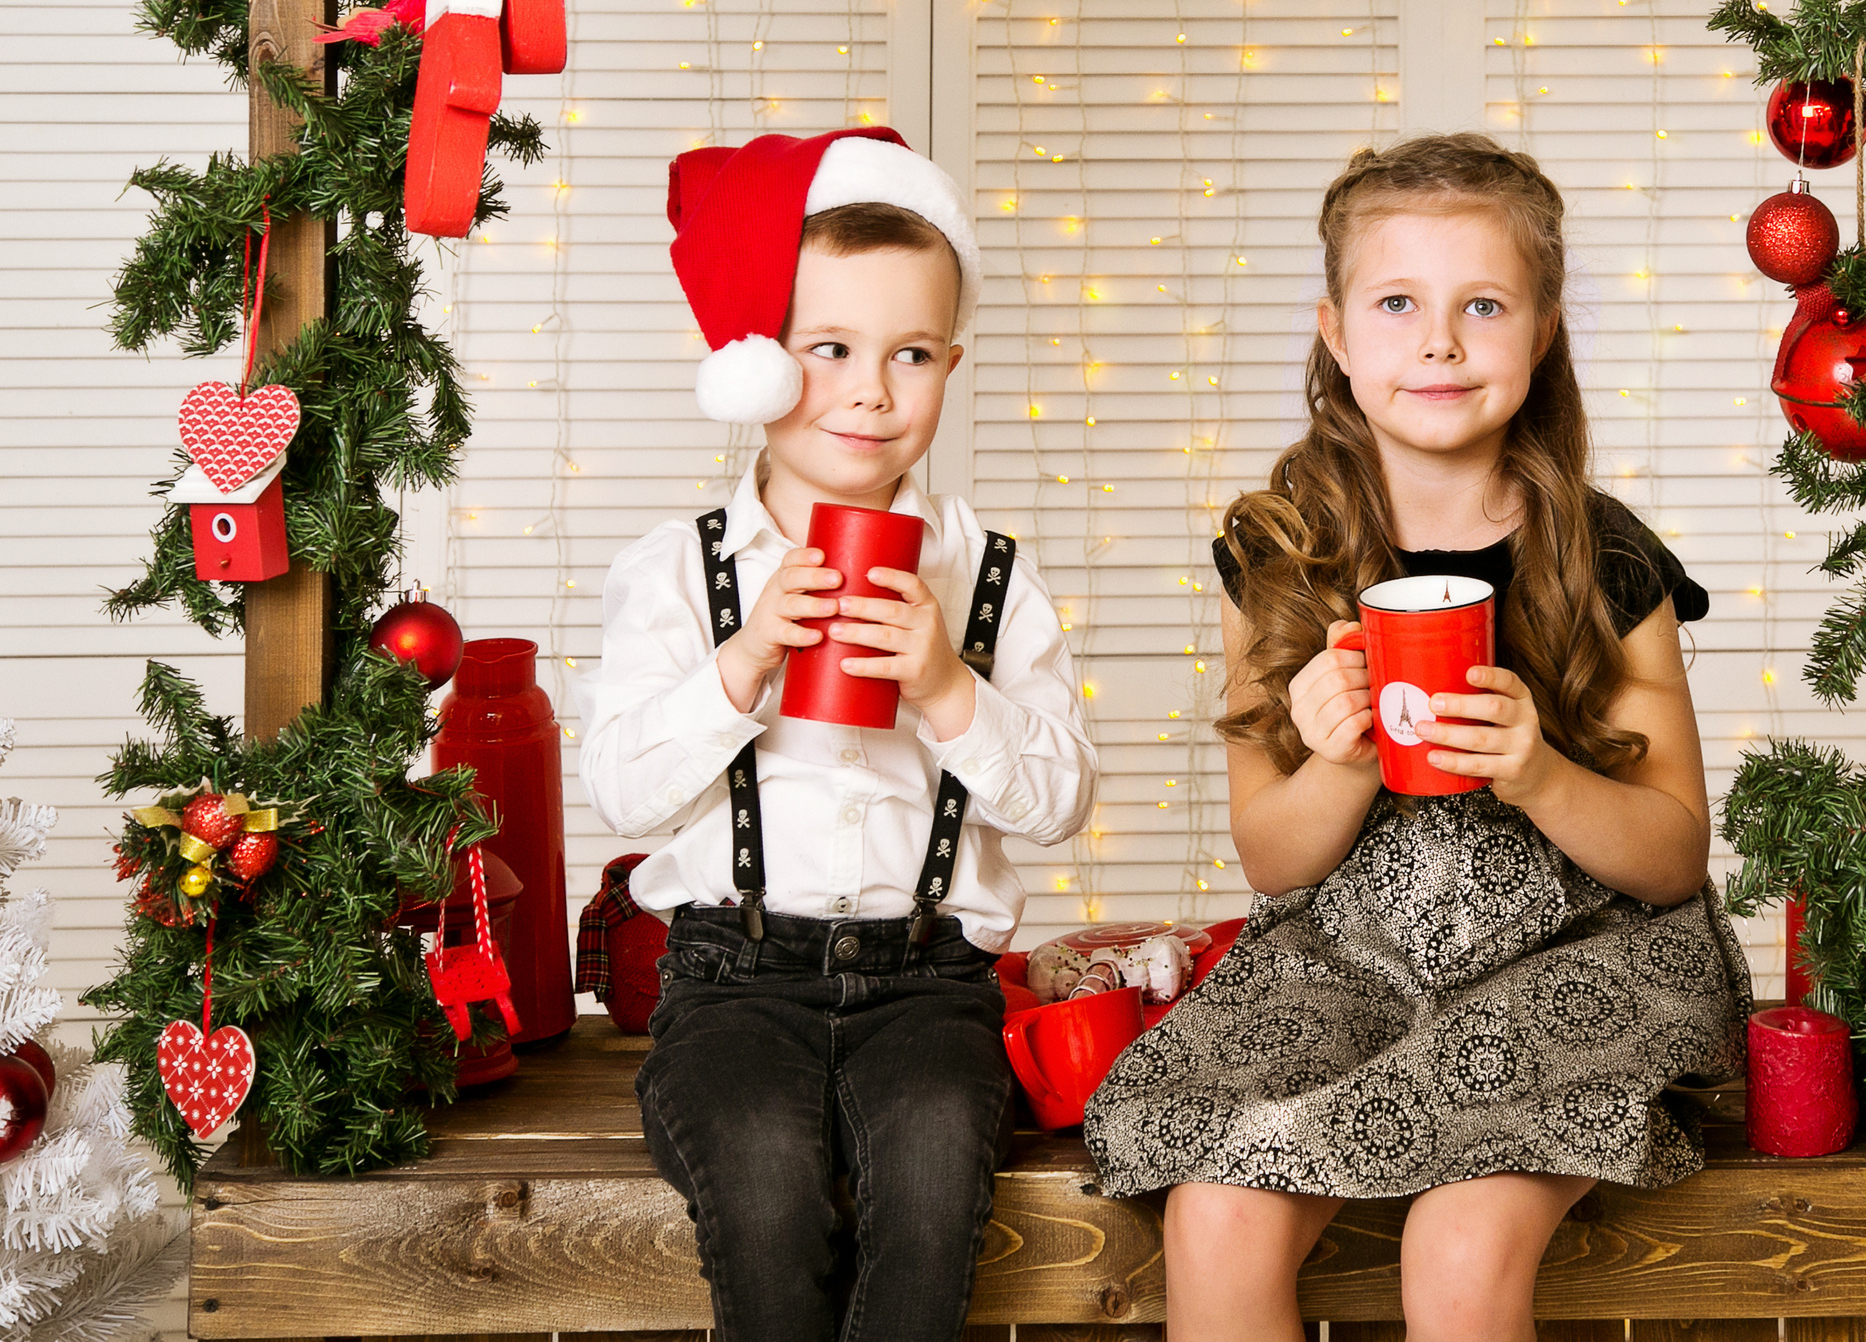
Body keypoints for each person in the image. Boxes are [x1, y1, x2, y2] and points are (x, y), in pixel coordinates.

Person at [1084, 133, 1749, 1342]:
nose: (1439, 342)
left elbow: (1669, 861)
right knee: (1214, 1218)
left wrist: (1539, 772)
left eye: (1481, 305)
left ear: (1541, 332)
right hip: (1355, 955)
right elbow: (1273, 861)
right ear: (1335, 334)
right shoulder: (1277, 560)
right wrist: (1339, 759)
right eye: (1397, 303)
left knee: (1460, 1247)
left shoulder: (1606, 561)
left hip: (1581, 957)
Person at [581, 127, 1097, 1342]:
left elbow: (1060, 801)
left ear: (951, 364)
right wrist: (744, 662)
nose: (872, 391)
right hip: (732, 979)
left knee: (933, 1176)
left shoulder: (989, 574)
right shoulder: (677, 571)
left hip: (930, 982)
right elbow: (620, 792)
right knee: (764, 1188)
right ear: (758, 364)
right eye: (830, 350)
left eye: (910, 353)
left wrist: (949, 687)